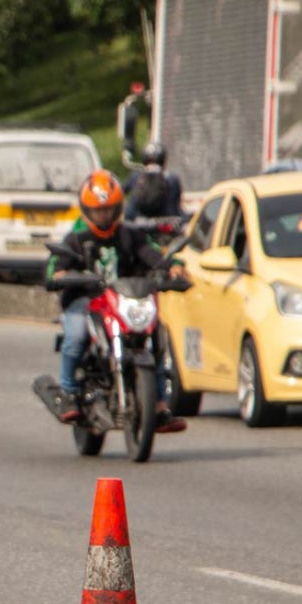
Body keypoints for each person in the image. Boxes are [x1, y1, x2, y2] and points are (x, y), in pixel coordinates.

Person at [48, 169, 188, 432]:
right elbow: (56, 266)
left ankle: (159, 405)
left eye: (108, 210)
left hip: (124, 301)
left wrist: (173, 268)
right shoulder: (76, 238)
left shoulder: (130, 235)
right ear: (86, 210)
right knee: (76, 335)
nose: (103, 216)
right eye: (98, 211)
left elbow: (153, 254)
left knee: (156, 334)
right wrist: (61, 276)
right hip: (86, 302)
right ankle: (67, 392)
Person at [123, 141, 185, 221]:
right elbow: (176, 206)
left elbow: (121, 192)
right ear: (163, 161)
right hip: (166, 222)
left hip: (136, 222)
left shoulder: (135, 176)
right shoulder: (172, 179)